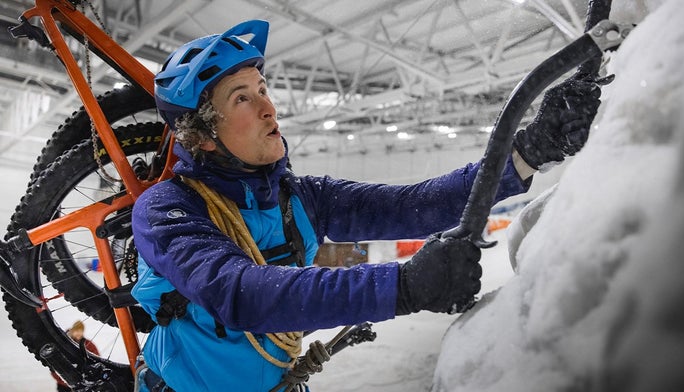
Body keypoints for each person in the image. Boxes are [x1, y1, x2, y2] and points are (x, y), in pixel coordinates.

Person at [130, 19, 602, 392]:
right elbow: (241, 292)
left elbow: (415, 205)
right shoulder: (168, 209)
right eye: (242, 99)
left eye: (263, 89)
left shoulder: (300, 196)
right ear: (204, 135)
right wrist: (405, 285)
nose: (268, 108)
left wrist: (529, 149)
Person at [50, 321, 100, 392]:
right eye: (77, 331)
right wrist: (65, 382)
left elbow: (97, 361)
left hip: (83, 386)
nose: (78, 333)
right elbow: (53, 367)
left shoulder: (89, 344)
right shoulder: (63, 343)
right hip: (64, 386)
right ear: (73, 331)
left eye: (81, 331)